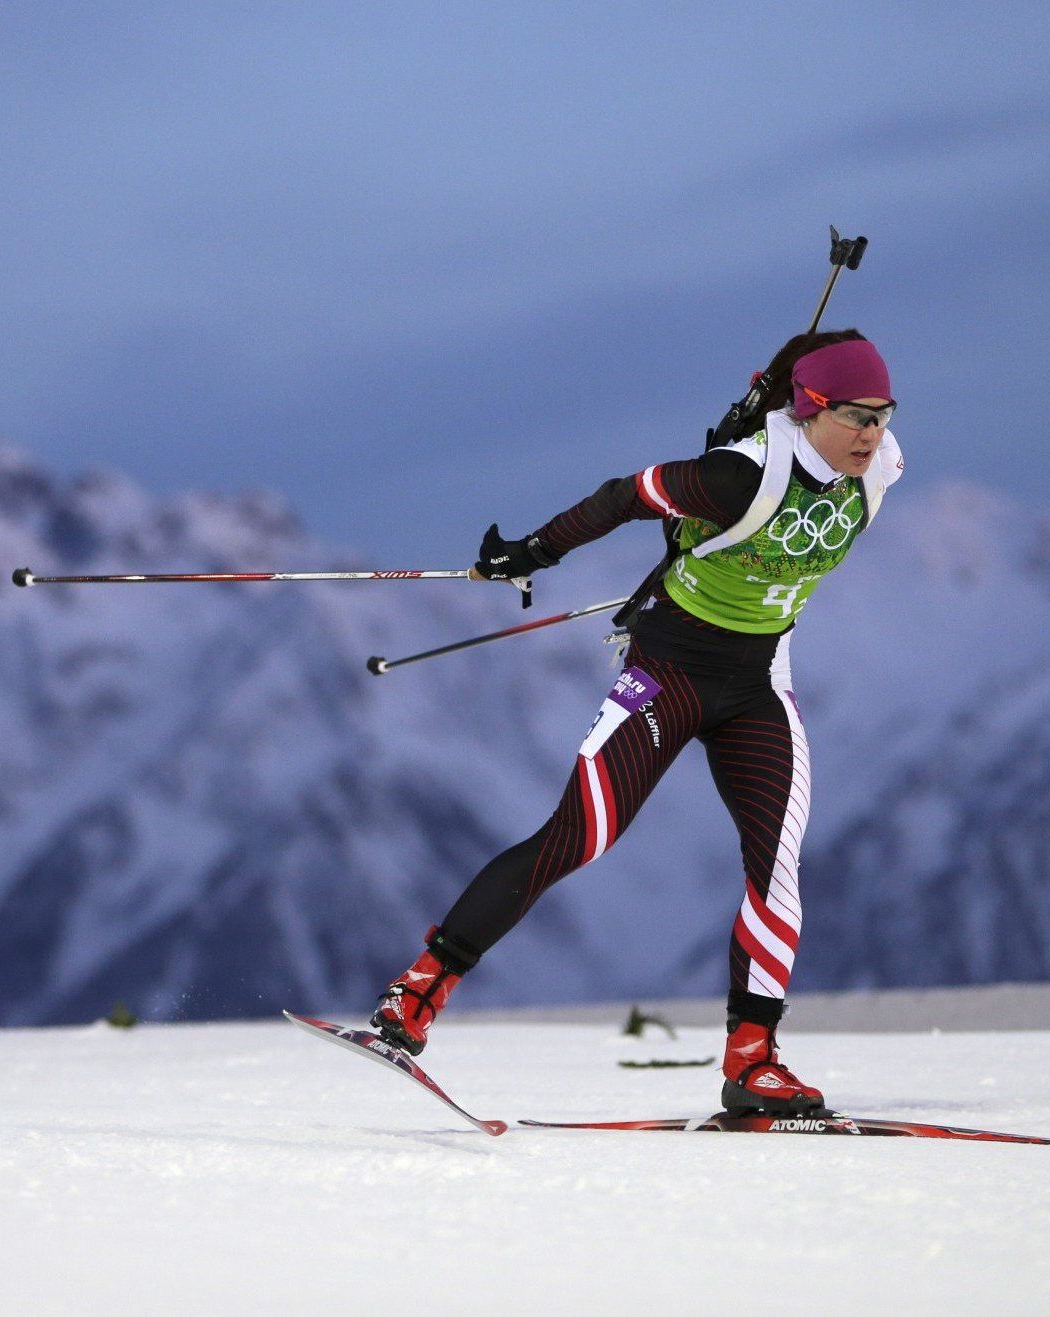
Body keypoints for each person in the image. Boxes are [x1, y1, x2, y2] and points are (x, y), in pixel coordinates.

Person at [371, 332, 903, 1116]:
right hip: (668, 674)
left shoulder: (882, 468)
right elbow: (627, 494)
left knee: (776, 870)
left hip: (759, 685)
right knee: (577, 836)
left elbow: (837, 396)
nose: (871, 434)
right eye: (856, 415)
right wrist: (532, 551)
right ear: (808, 407)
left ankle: (753, 1064)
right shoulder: (740, 473)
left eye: (883, 416)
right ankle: (417, 994)